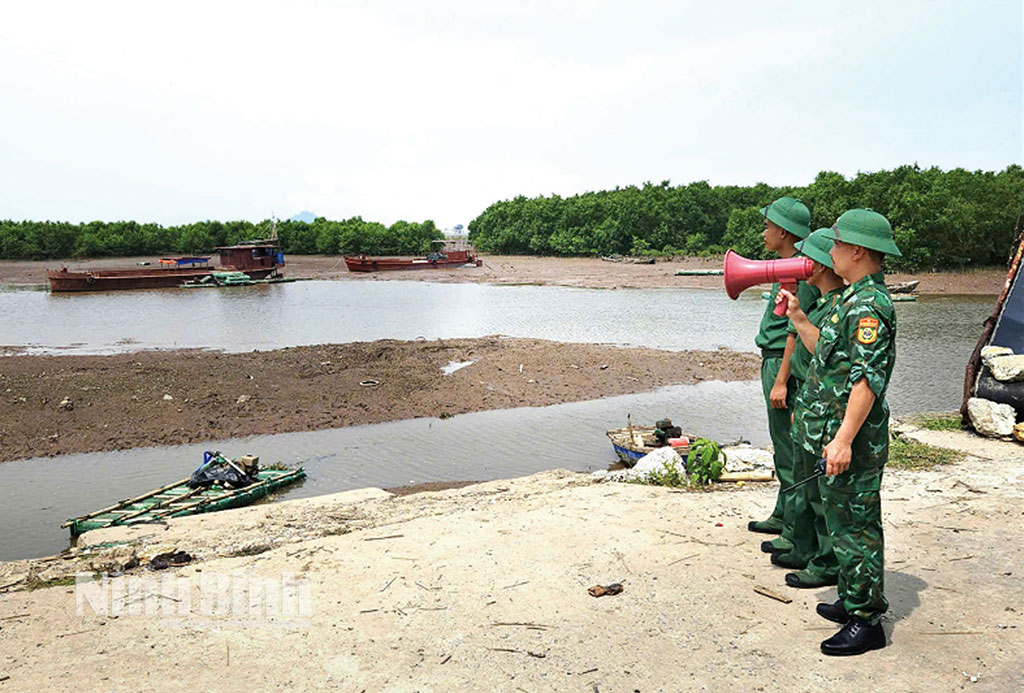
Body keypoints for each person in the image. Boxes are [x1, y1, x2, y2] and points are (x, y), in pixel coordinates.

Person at [780, 208, 901, 656]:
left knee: (856, 528)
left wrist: (844, 438)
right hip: (835, 435)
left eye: (834, 245)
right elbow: (827, 357)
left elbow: (867, 380)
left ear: (857, 250)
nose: (827, 254)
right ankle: (854, 599)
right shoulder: (850, 300)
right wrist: (798, 318)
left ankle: (867, 621)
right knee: (843, 521)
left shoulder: (871, 306)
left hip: (853, 441)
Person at [769, 229, 846, 587]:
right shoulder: (822, 304)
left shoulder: (838, 307)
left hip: (824, 407)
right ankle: (806, 549)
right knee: (805, 482)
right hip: (810, 401)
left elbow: (827, 359)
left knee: (821, 493)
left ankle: (826, 562)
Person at [747, 197, 819, 556]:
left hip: (782, 363)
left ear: (784, 231)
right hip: (773, 360)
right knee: (781, 446)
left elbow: (795, 327)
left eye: (768, 226)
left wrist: (782, 379)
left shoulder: (800, 272)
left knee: (790, 449)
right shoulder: (782, 268)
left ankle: (794, 532)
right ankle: (783, 513)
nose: (764, 232)